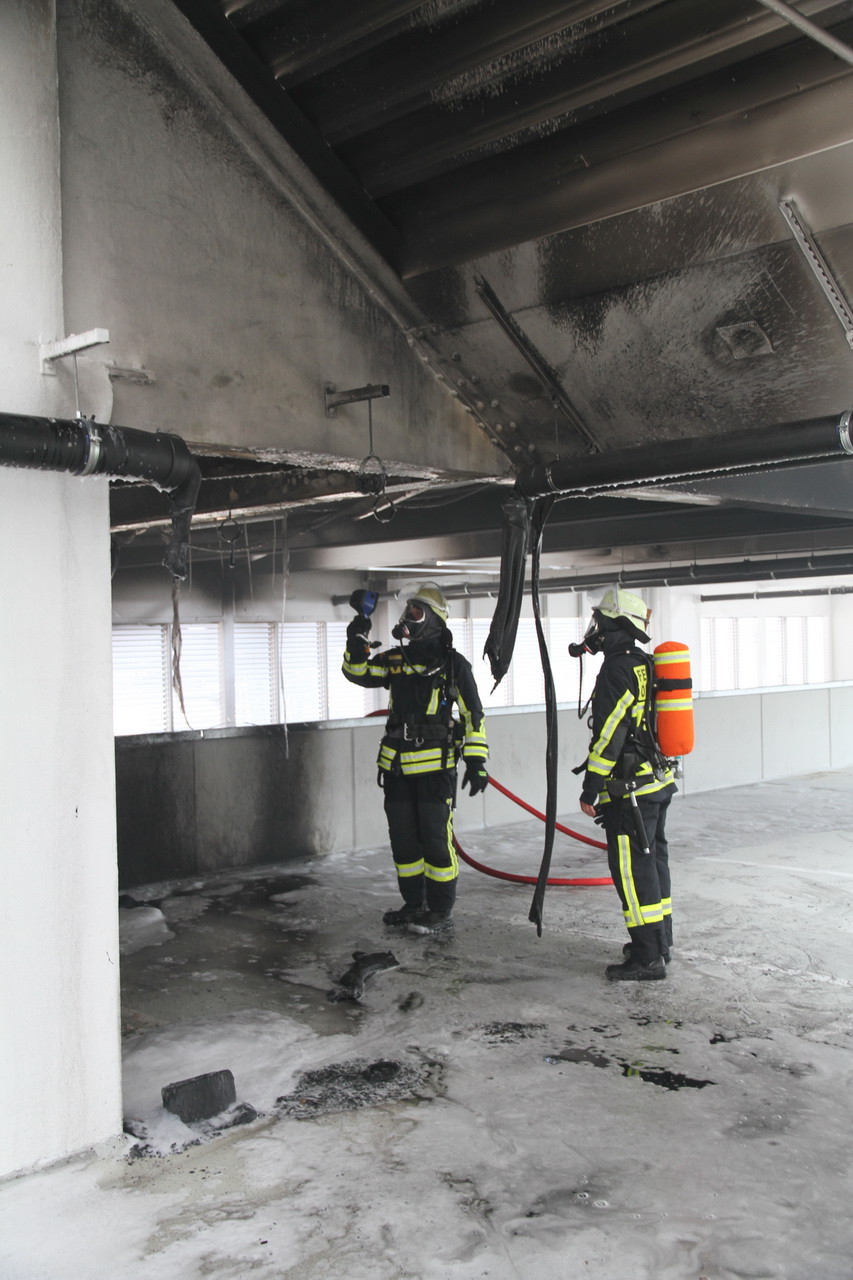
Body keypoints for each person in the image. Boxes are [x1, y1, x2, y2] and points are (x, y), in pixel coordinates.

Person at [342, 583, 488, 935]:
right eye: (408, 610)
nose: (408, 616)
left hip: (436, 771)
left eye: (417, 611)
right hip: (396, 770)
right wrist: (356, 637)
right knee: (404, 842)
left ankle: (440, 910)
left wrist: (476, 761)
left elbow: (473, 715)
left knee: (436, 842)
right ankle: (413, 904)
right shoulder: (396, 661)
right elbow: (357, 673)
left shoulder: (453, 665)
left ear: (434, 620)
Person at [575, 588, 676, 981]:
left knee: (633, 872)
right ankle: (659, 943)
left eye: (600, 622)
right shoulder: (643, 663)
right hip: (655, 783)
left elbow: (610, 735)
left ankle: (647, 959)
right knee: (654, 864)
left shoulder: (617, 670)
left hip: (630, 790)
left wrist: (591, 786)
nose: (595, 630)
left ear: (617, 626)